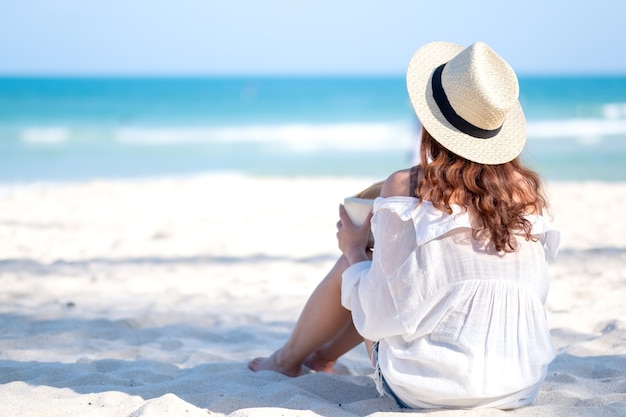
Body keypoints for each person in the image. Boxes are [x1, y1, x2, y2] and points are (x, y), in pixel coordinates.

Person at [249, 41, 560, 410]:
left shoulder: (406, 185)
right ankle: (323, 358)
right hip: (519, 385)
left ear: (432, 122)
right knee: (391, 275)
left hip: (429, 390)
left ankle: (285, 361)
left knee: (361, 265)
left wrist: (352, 249)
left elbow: (381, 313)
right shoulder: (525, 192)